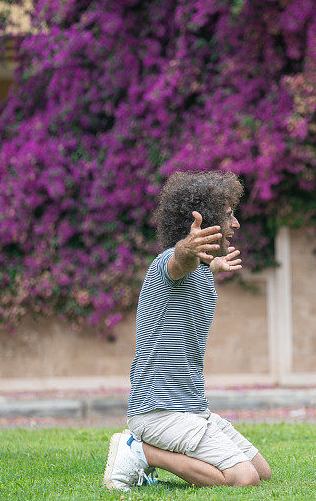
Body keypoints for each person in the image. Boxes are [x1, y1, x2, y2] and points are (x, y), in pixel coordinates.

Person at [103, 171, 272, 491]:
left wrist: (214, 264)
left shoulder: (202, 270)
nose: (235, 224)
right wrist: (188, 249)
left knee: (261, 471)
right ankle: (139, 451)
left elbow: (194, 269)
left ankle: (147, 451)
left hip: (194, 409)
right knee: (244, 479)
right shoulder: (169, 263)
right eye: (228, 215)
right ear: (203, 221)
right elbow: (180, 262)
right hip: (157, 413)